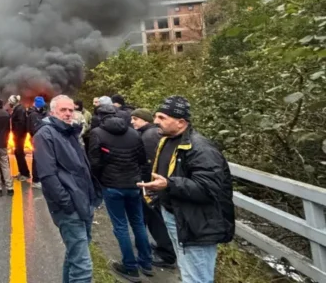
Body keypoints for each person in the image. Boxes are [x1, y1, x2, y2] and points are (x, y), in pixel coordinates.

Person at [138, 96, 235, 283]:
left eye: (162, 117)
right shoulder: (167, 141)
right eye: (155, 116)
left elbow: (209, 188)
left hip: (197, 225)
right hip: (176, 216)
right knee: (186, 268)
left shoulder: (201, 148)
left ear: (181, 122)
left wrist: (168, 184)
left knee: (197, 277)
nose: (155, 121)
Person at [34, 95, 102, 283]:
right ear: (53, 111)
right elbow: (48, 176)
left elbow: (80, 167)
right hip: (69, 208)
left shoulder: (70, 131)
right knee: (83, 268)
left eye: (71, 110)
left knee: (75, 256)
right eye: (63, 110)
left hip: (84, 203)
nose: (68, 113)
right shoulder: (45, 134)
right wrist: (67, 204)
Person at [88, 104, 152, 281]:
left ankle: (130, 267)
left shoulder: (97, 133)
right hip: (134, 185)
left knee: (121, 226)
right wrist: (140, 179)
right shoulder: (133, 132)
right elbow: (142, 159)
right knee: (138, 223)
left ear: (99, 116)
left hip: (112, 186)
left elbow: (94, 162)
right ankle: (146, 262)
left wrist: (100, 181)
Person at [130, 108, 176, 269]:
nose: (132, 122)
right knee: (155, 217)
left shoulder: (148, 136)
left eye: (136, 119)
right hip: (156, 184)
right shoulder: (153, 133)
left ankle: (167, 254)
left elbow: (150, 163)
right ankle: (164, 247)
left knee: (155, 218)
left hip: (152, 184)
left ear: (145, 120)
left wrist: (147, 183)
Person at [27, 96, 48, 189]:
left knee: (43, 159)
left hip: (45, 138)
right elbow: (30, 128)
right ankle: (35, 180)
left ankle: (41, 178)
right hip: (36, 139)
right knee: (36, 159)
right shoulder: (32, 115)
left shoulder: (45, 113)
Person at [10, 95, 30, 182]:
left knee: (19, 153)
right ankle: (21, 172)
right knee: (17, 153)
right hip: (18, 135)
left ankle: (25, 173)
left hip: (20, 135)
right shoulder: (18, 108)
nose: (9, 103)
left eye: (10, 101)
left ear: (13, 102)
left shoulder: (19, 109)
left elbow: (21, 123)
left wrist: (17, 135)